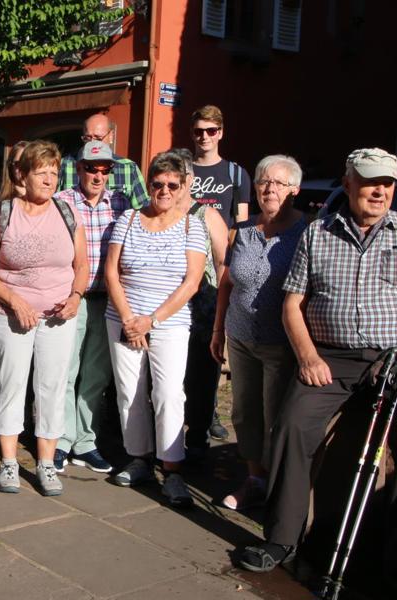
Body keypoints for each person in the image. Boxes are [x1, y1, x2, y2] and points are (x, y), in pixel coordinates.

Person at [235, 149, 397, 594]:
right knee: (292, 424)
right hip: (329, 357)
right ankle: (282, 539)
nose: (380, 191)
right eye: (370, 181)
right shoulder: (318, 233)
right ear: (348, 182)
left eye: (388, 184)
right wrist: (309, 356)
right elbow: (293, 303)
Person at [0, 140, 88, 497]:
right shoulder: (2, 213)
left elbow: (82, 265)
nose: (50, 179)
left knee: (52, 389)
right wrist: (14, 300)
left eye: (54, 172)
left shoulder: (68, 212)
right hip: (10, 315)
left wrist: (76, 296)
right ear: (23, 175)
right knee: (12, 385)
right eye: (42, 172)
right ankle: (9, 462)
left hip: (59, 315)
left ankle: (46, 463)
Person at [105, 150, 206, 508]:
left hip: (170, 322)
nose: (164, 190)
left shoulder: (194, 225)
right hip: (123, 317)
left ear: (182, 188)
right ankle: (139, 458)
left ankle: (173, 469)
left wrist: (152, 320)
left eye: (171, 184)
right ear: (148, 185)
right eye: (157, 183)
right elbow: (112, 273)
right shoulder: (129, 218)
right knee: (129, 393)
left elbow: (191, 282)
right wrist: (131, 318)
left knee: (167, 394)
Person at [210, 155, 306, 511]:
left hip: (281, 344)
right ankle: (254, 478)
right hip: (240, 337)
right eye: (264, 181)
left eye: (279, 183)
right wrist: (218, 330)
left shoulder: (307, 233)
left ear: (294, 189)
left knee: (277, 417)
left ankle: (282, 488)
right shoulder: (244, 231)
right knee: (245, 413)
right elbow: (226, 283)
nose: (269, 188)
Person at [52, 140, 146, 474]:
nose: (98, 175)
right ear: (78, 169)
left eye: (105, 169)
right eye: (92, 168)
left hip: (107, 301)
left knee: (96, 375)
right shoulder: (61, 201)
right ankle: (61, 441)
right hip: (70, 298)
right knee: (65, 371)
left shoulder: (121, 203)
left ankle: (86, 443)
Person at [187, 105, 250, 445]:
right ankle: (191, 412)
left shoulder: (236, 174)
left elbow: (240, 225)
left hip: (217, 267)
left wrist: (230, 272)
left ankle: (208, 412)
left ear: (221, 133)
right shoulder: (183, 169)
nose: (205, 137)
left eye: (211, 131)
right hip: (182, 267)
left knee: (210, 349)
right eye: (199, 131)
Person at [172, 148, 229, 463]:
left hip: (202, 312)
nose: (174, 186)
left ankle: (196, 441)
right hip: (167, 311)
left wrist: (221, 316)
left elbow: (224, 265)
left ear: (190, 180)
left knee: (200, 381)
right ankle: (166, 441)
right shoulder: (157, 213)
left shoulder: (206, 215)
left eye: (180, 178)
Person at [56, 114, 147, 199]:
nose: (93, 143)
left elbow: (143, 209)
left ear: (111, 136)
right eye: (88, 138)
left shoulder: (128, 168)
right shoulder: (65, 164)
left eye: (98, 138)